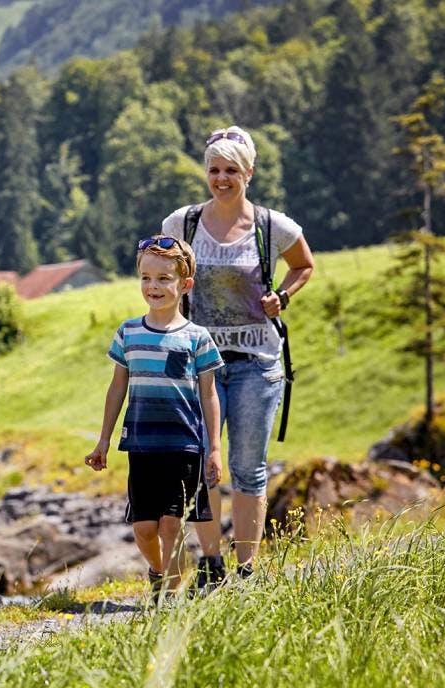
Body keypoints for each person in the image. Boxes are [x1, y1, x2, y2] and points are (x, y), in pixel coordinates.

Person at [161, 126, 315, 583]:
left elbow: (303, 266)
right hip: (200, 365)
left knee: (249, 469)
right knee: (203, 464)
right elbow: (160, 273)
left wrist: (282, 298)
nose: (222, 178)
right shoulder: (181, 224)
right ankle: (211, 566)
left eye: (231, 170)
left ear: (249, 172)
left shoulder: (272, 226)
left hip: (258, 365)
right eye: (214, 169)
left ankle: (246, 569)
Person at [85, 235, 223, 593]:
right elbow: (117, 388)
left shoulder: (197, 338)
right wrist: (103, 440)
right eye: (146, 277)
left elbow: (209, 394)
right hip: (141, 446)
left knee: (172, 524)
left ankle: (171, 599)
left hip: (184, 447)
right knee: (145, 529)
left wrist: (216, 448)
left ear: (185, 285)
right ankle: (160, 571)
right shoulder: (128, 332)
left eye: (163, 278)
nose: (153, 286)